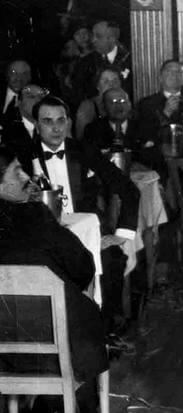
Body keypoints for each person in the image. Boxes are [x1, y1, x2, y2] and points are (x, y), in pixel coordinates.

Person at [0, 146, 108, 413]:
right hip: (57, 352)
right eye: (17, 171)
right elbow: (83, 268)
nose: (26, 176)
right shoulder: (35, 215)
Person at [30, 95, 140, 337]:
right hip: (44, 238)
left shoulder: (84, 151)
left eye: (61, 120)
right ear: (37, 126)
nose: (56, 128)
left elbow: (129, 189)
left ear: (69, 122)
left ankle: (105, 334)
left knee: (112, 260)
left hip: (88, 234)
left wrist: (122, 234)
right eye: (47, 121)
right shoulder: (25, 156)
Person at [73, 20, 132, 100]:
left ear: (112, 38)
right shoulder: (86, 63)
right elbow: (78, 92)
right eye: (93, 35)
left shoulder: (130, 60)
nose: (93, 40)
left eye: (98, 36)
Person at [1, 84, 48, 176]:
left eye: (41, 97)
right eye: (31, 97)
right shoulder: (8, 132)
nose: (38, 100)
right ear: (19, 102)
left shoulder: (55, 128)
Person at [74, 66, 122, 140]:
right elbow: (81, 137)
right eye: (106, 81)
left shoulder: (125, 104)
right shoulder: (88, 106)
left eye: (115, 81)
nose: (111, 85)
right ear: (98, 85)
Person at [0, 60, 31, 127]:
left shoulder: (34, 99)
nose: (19, 78)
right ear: (7, 75)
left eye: (24, 73)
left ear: (29, 77)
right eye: (14, 72)